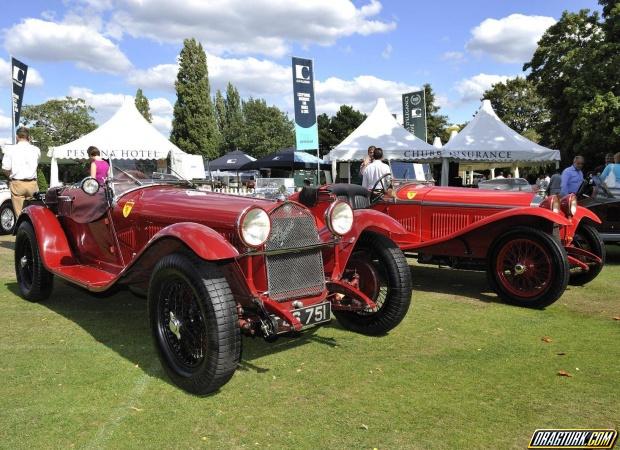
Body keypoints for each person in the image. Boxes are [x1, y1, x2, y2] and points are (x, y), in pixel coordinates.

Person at [1, 127, 41, 217]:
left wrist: (9, 177)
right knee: (33, 215)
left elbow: (5, 168)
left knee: (20, 215)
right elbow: (36, 165)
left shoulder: (10, 149)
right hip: (32, 184)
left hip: (17, 184)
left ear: (16, 137)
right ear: (28, 137)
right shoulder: (36, 150)